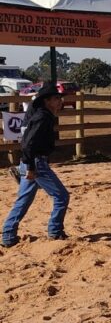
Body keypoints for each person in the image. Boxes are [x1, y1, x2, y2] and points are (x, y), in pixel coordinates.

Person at [2, 83, 70, 247]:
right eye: (56, 98)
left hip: (31, 162)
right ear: (47, 101)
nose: (60, 101)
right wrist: (31, 168)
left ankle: (8, 235)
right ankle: (55, 231)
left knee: (23, 200)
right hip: (36, 163)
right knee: (61, 196)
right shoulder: (43, 117)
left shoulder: (41, 114)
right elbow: (29, 144)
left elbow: (27, 143)